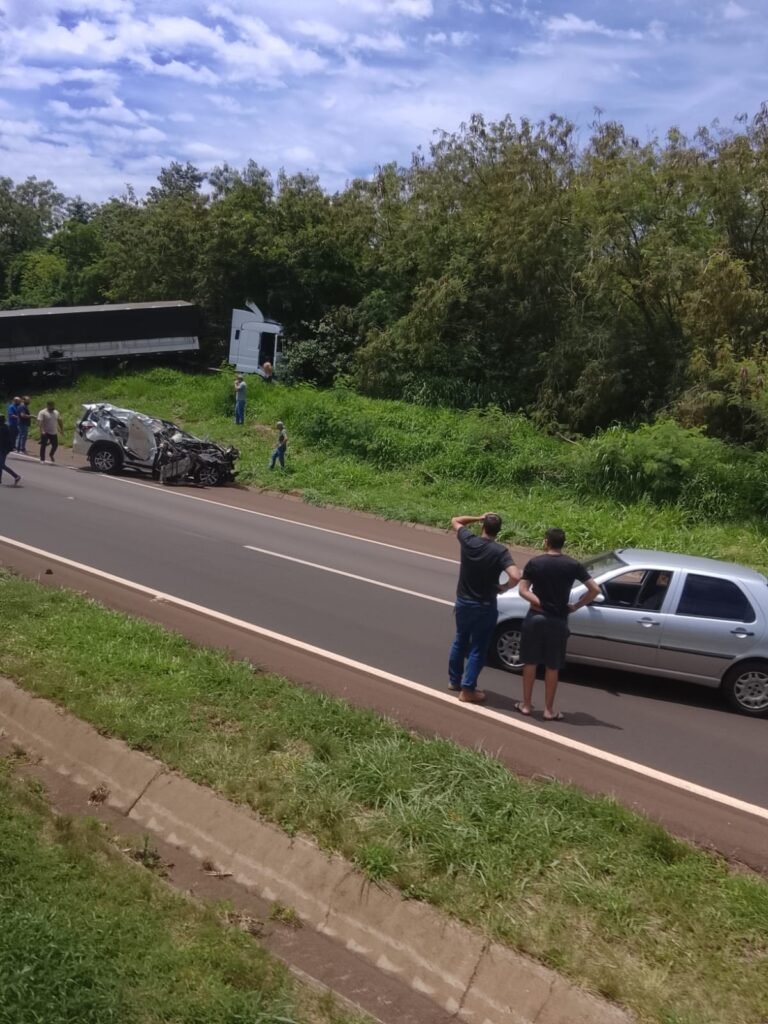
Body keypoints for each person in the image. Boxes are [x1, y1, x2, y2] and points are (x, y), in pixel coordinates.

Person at [517, 527, 601, 721]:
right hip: (558, 620)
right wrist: (576, 606)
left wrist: (539, 602)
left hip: (536, 617)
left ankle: (526, 705)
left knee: (530, 661)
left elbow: (523, 590)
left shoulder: (535, 562)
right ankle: (548, 710)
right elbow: (594, 589)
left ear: (546, 541)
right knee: (552, 666)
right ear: (563, 543)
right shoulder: (572, 564)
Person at [448, 513, 521, 703]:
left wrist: (478, 517)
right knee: (478, 647)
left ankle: (454, 681)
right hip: (485, 604)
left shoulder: (469, 540)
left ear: (483, 527)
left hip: (463, 601)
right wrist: (504, 587)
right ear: (498, 531)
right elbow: (515, 575)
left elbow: (456, 520)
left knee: (460, 640)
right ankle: (468, 690)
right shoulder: (500, 552)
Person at [0, 413, 21, 486]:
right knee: (1, 464)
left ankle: (16, 476)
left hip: (2, 449)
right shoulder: (6, 427)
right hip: (5, 449)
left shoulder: (3, 428)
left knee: (1, 465)